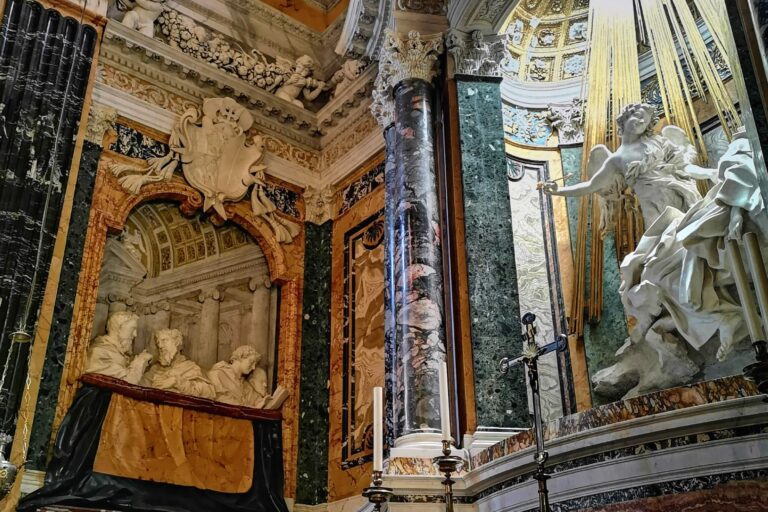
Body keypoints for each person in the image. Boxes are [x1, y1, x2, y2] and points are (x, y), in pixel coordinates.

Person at [539, 103, 715, 230]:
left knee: (690, 240)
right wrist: (558, 191)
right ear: (624, 119)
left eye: (645, 121)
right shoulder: (616, 159)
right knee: (659, 251)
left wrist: (709, 173)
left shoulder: (659, 142)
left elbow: (684, 168)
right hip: (650, 203)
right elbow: (591, 185)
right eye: (637, 116)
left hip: (678, 194)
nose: (640, 121)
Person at [140, 328, 216, 399]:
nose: (160, 346)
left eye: (164, 340)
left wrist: (177, 382)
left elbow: (209, 392)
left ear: (176, 342)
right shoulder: (154, 369)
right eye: (158, 343)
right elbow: (139, 389)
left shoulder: (189, 367)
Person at [85, 311, 152, 385]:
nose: (135, 334)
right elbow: (127, 383)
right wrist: (141, 360)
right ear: (118, 328)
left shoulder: (119, 353)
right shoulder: (99, 352)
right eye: (132, 329)